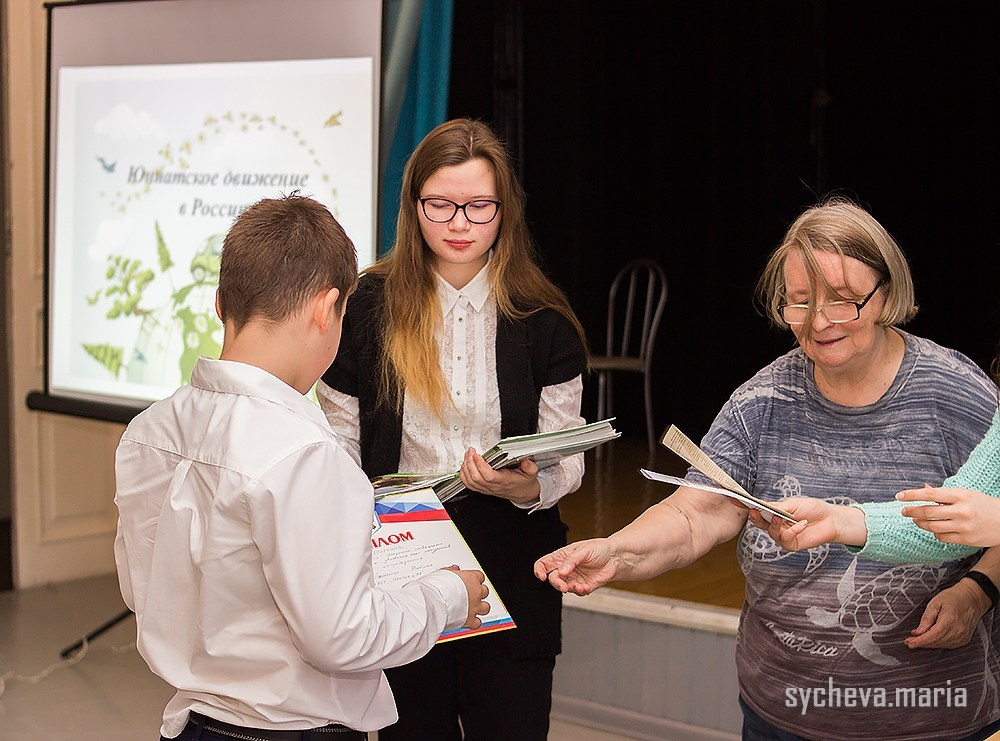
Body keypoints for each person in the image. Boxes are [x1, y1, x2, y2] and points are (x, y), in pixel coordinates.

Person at [534, 198, 1000, 741]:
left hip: (936, 718)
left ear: (887, 295)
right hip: (782, 715)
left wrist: (978, 591)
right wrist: (616, 551)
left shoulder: (958, 395)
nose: (818, 323)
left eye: (842, 302)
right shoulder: (762, 400)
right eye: (799, 303)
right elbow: (694, 515)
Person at [113, 194, 490, 741]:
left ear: (221, 304)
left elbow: (142, 589)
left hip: (194, 726)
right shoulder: (307, 454)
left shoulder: (148, 431)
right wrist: (447, 595)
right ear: (325, 308)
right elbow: (343, 637)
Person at [317, 118, 588, 741]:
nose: (460, 223)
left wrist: (523, 488)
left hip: (514, 567)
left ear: (505, 212)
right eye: (440, 205)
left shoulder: (545, 321)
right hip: (400, 569)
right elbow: (336, 443)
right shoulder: (366, 307)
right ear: (413, 209)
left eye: (478, 206)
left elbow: (565, 456)